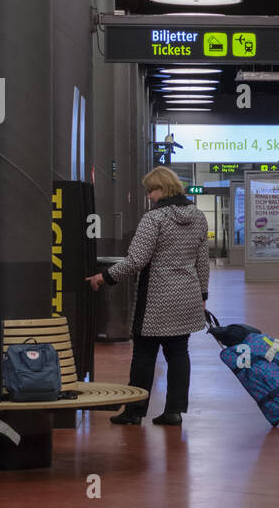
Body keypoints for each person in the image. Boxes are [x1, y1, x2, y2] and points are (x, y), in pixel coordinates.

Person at [86, 167, 209, 425]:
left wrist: (104, 276)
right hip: (186, 297)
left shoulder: (154, 219)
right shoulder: (198, 217)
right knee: (178, 353)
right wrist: (203, 293)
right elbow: (202, 261)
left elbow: (136, 261)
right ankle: (174, 411)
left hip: (156, 299)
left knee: (144, 354)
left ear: (163, 189)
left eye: (151, 191)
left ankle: (134, 411)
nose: (149, 196)